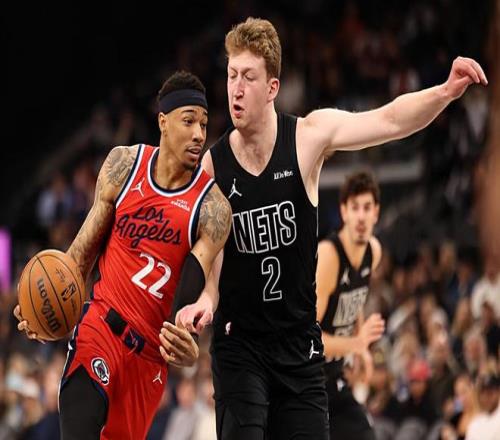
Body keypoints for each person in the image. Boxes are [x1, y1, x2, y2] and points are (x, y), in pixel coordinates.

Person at [176, 17, 487, 439]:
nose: (236, 88)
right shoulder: (214, 166)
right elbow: (214, 261)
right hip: (240, 346)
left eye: (248, 77)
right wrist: (205, 301)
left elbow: (389, 120)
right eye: (232, 75)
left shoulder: (307, 137)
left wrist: (444, 91)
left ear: (272, 87)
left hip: (299, 347)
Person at [13, 71, 232, 440]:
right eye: (189, 121)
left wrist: (186, 342)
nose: (199, 133)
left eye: (204, 124)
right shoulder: (124, 165)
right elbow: (79, 256)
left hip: (148, 361)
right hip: (100, 327)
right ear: (163, 122)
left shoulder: (212, 208)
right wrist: (45, 306)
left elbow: (193, 291)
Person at [316, 171, 384, 440]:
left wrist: (361, 349)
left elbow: (356, 298)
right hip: (303, 384)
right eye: (354, 208)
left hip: (333, 379)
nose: (361, 216)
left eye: (367, 208)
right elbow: (308, 340)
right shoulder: (329, 256)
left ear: (376, 212)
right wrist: (357, 343)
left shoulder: (373, 252)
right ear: (343, 212)